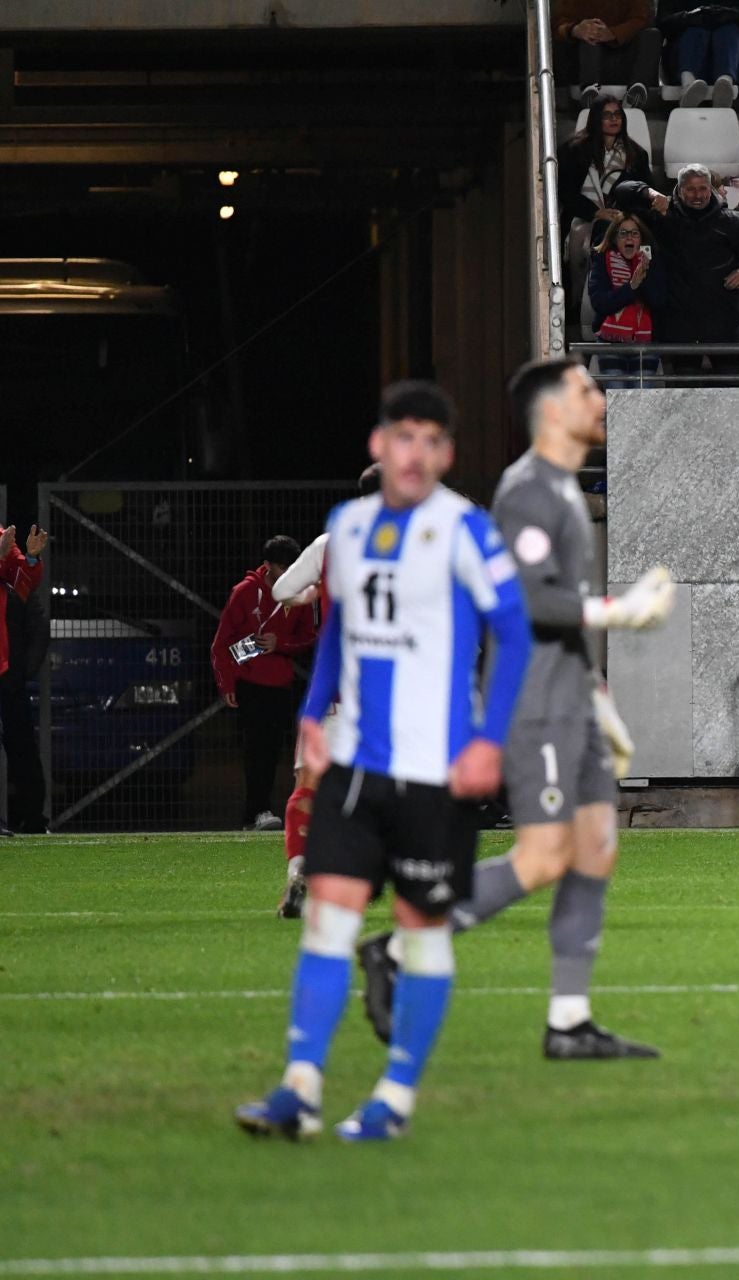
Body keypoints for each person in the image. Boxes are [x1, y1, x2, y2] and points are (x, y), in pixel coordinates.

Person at [234, 381, 533, 1143]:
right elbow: (338, 638)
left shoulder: (469, 532)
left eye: (429, 441)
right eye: (402, 438)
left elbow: (515, 634)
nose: (414, 454)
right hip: (360, 765)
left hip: (434, 771)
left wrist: (490, 740)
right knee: (329, 927)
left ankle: (393, 1100)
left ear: (445, 455)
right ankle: (299, 1090)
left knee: (423, 934)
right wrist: (310, 716)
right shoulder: (350, 530)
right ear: (381, 449)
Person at [357, 360, 675, 1065]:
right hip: (536, 705)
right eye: (588, 389)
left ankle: (569, 1021)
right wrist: (614, 613)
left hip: (570, 698)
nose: (600, 399)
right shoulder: (527, 491)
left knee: (595, 849)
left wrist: (595, 690)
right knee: (544, 856)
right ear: (552, 410)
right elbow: (525, 599)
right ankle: (399, 950)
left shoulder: (561, 486)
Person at [269, 464, 384, 919]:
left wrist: (311, 594)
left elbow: (280, 589)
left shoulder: (331, 541)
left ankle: (299, 870)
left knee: (307, 786)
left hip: (334, 685)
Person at [617, 164, 739, 378]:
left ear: (711, 189)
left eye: (702, 188)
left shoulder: (732, 221)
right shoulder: (663, 218)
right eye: (690, 189)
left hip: (723, 324)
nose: (697, 195)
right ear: (679, 190)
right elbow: (622, 190)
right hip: (681, 326)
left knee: (732, 396)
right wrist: (650, 193)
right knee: (682, 398)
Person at [211, 534, 315, 832]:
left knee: (275, 751)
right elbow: (221, 644)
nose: (288, 573)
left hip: (281, 684)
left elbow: (309, 636)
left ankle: (261, 811)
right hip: (249, 683)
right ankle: (258, 811)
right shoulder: (244, 592)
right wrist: (227, 685)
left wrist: (279, 643)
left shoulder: (301, 594)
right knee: (255, 749)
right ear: (268, 566)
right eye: (283, 568)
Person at [0, 524, 48, 836]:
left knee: (21, 744)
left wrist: (30, 558)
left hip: (5, 668)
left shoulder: (2, 536)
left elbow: (23, 584)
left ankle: (33, 819)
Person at [558, 94, 655, 249]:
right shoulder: (573, 150)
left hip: (623, 222)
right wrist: (596, 212)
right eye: (607, 115)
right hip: (581, 218)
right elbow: (565, 191)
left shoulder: (637, 154)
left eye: (617, 114)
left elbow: (644, 194)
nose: (613, 119)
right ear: (596, 119)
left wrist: (623, 217)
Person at [586, 214, 665, 388]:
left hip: (646, 340)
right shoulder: (602, 261)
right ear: (614, 238)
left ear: (641, 239)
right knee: (618, 394)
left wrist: (644, 275)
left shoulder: (653, 262)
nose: (629, 238)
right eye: (623, 233)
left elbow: (659, 302)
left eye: (634, 233)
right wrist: (631, 286)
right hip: (610, 341)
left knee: (642, 396)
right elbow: (600, 303)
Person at [553, 0, 663, 106]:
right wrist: (575, 30)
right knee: (590, 36)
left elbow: (642, 19)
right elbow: (556, 24)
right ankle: (589, 93)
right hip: (585, 58)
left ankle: (637, 92)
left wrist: (613, 33)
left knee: (652, 35)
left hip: (625, 58)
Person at [657, 0, 739, 108]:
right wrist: (687, 17)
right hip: (683, 58)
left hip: (735, 64)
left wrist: (733, 14)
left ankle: (725, 85)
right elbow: (662, 22)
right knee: (693, 31)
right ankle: (688, 86)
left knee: (729, 31)